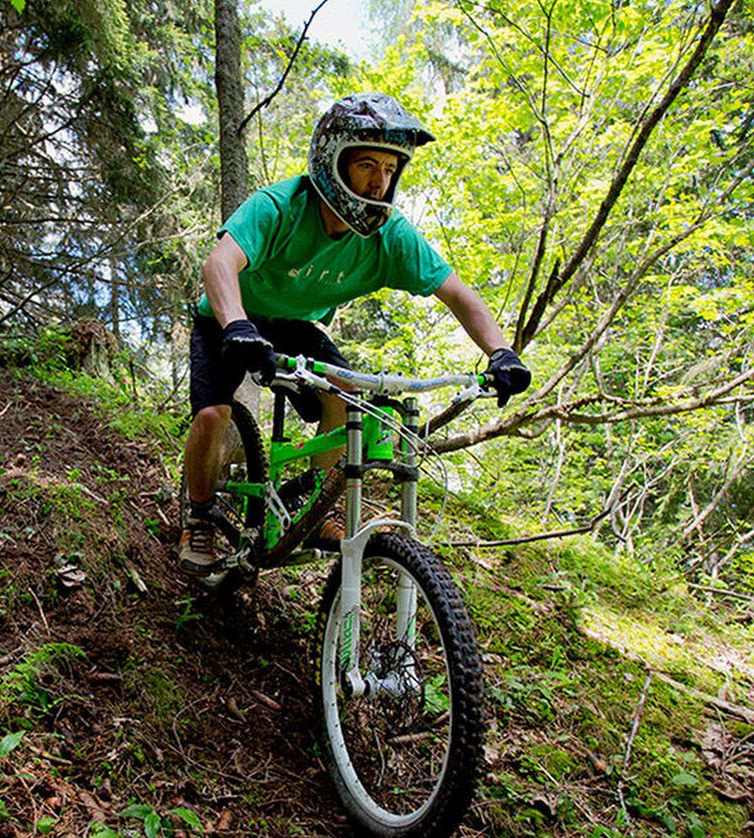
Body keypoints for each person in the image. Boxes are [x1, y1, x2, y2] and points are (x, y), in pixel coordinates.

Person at [178, 91, 531, 574]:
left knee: (347, 397)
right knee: (214, 412)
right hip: (229, 314)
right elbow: (219, 263)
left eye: (389, 169)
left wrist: (501, 352)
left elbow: (457, 293)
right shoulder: (279, 207)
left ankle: (317, 509)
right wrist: (236, 325)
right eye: (367, 165)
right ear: (332, 161)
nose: (379, 181)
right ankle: (198, 517)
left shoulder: (390, 237)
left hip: (294, 325)